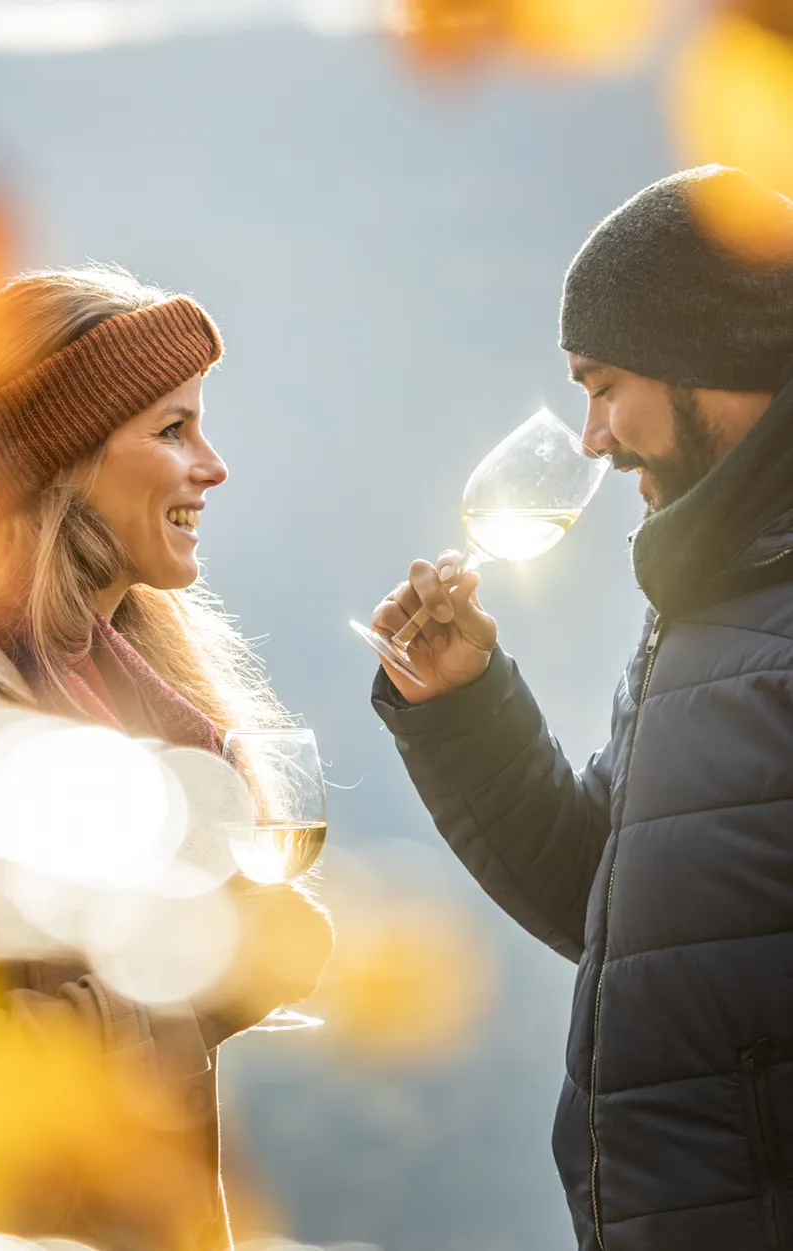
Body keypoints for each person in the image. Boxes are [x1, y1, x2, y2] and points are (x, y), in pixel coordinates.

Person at [0, 265, 333, 1251]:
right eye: (170, 430)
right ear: (66, 463)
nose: (211, 464)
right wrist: (205, 979)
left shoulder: (120, 689)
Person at [368, 166, 793, 1251]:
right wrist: (465, 710)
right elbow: (606, 900)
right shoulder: (707, 603)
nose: (591, 438)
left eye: (602, 385)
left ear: (714, 359)